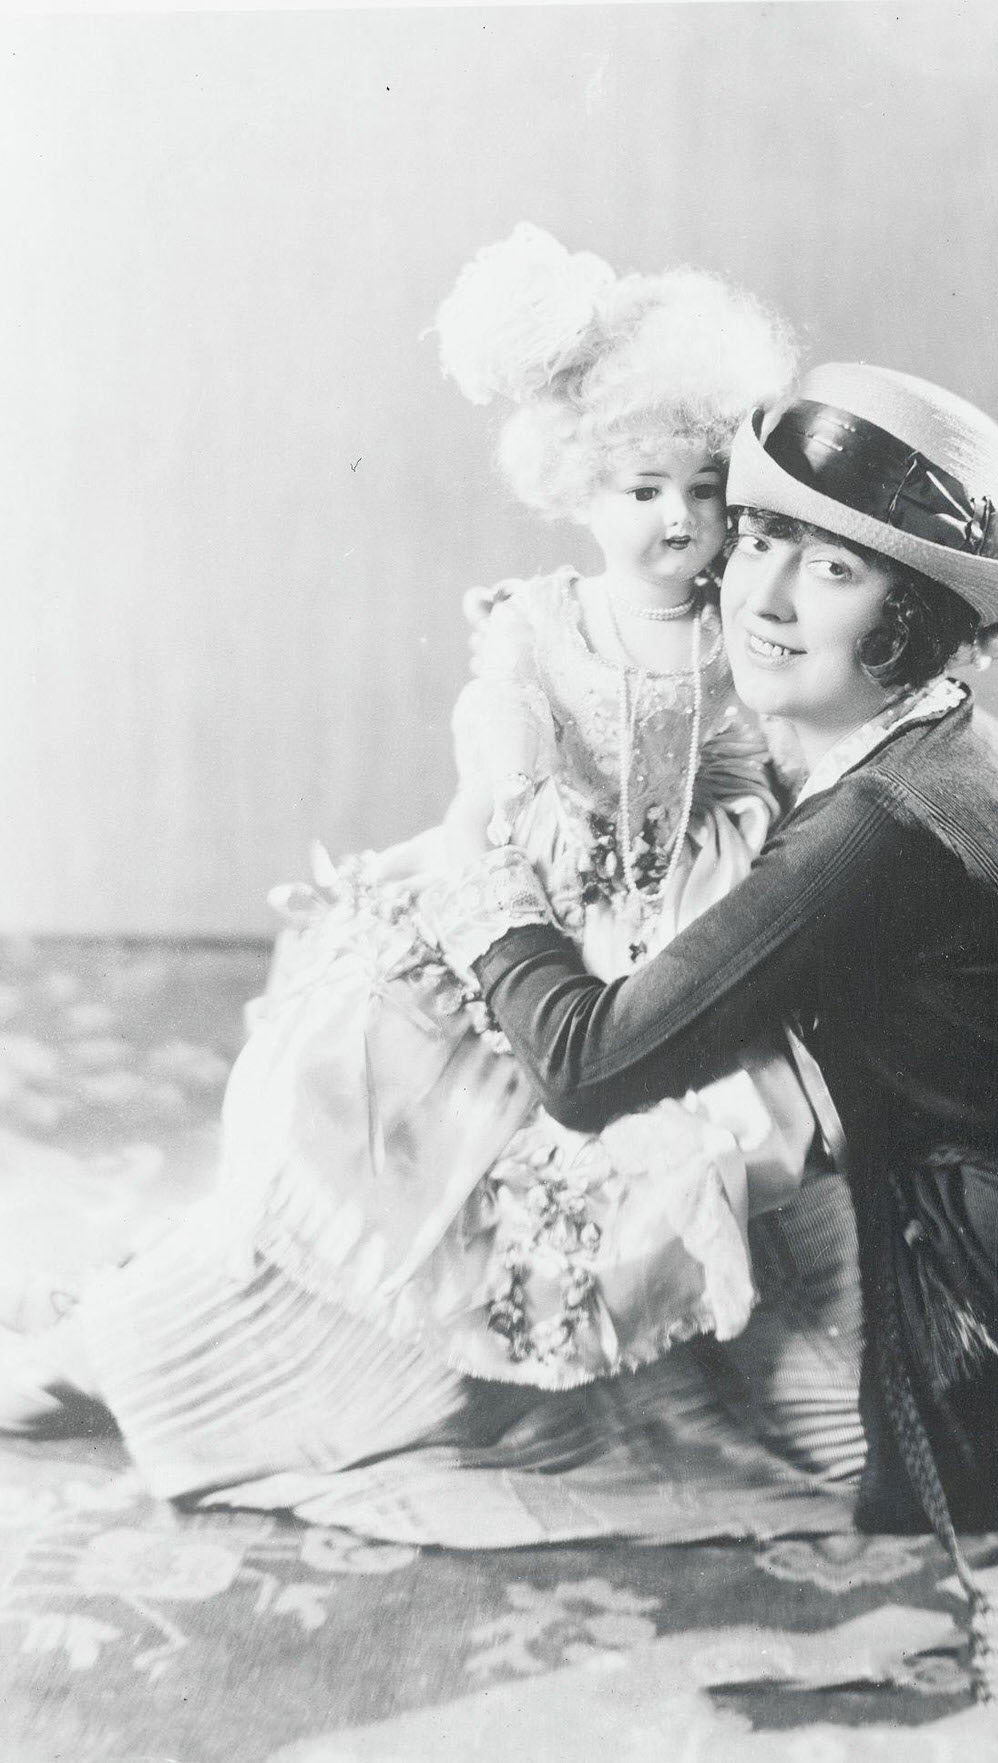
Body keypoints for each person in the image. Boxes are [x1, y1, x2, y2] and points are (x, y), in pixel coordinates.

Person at [0, 227, 824, 1494]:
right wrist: (504, 781)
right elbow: (495, 756)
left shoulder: (737, 632)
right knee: (393, 1102)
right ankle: (171, 1345)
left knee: (687, 1141)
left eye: (704, 488)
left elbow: (763, 760)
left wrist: (753, 832)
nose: (677, 517)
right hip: (539, 908)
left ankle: (582, 1373)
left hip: (687, 919)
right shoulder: (545, 622)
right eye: (641, 488)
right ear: (577, 488)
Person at [421, 361, 998, 1588]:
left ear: (909, 615)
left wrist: (482, 887)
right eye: (761, 537)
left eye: (831, 567)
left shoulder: (881, 820)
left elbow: (583, 1063)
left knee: (516, 1167)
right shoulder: (918, 738)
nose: (763, 596)